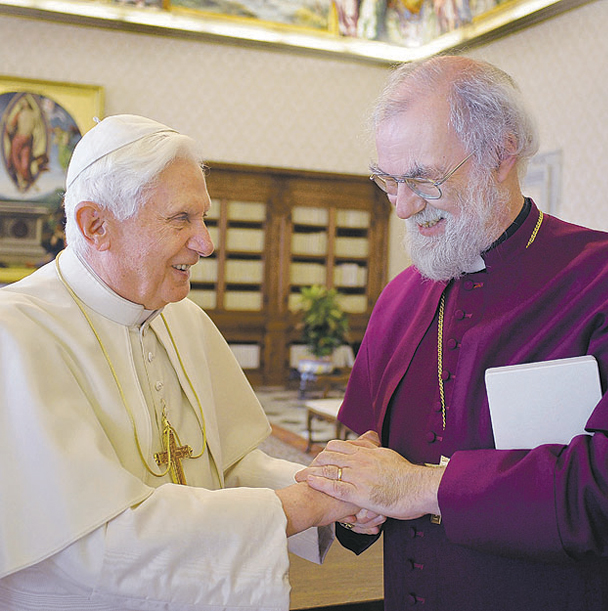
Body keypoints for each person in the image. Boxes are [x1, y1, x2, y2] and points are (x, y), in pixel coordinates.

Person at [0, 114, 383, 610]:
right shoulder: (17, 335)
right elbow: (90, 543)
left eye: (203, 218)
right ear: (96, 226)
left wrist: (336, 492)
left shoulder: (183, 318)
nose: (206, 242)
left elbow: (231, 465)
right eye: (181, 219)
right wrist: (307, 504)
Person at [296, 55, 608, 610]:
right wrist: (358, 497)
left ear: (501, 153)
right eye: (389, 181)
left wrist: (420, 488)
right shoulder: (400, 297)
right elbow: (365, 450)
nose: (402, 207)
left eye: (423, 179)